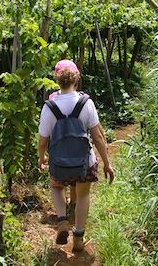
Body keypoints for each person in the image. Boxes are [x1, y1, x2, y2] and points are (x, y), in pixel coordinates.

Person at [38, 60, 115, 252]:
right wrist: (106, 163)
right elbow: (97, 137)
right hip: (84, 164)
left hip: (59, 164)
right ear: (76, 78)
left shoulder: (49, 106)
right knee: (83, 195)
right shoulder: (86, 103)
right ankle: (79, 238)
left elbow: (42, 140)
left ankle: (63, 220)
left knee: (56, 187)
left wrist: (41, 158)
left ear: (57, 80)